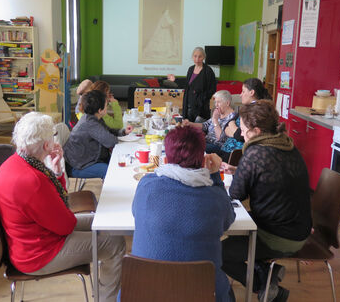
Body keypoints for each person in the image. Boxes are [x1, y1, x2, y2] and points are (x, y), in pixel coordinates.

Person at [0, 112, 125, 302]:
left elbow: (57, 202)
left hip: (29, 241)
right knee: (114, 243)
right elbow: (66, 225)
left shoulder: (17, 162)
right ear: (46, 145)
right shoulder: (32, 180)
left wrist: (56, 172)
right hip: (39, 254)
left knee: (103, 223)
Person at [131, 125, 236, 302]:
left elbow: (136, 213)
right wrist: (215, 176)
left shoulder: (146, 185)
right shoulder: (215, 197)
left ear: (166, 158)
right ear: (202, 159)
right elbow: (228, 220)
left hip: (143, 293)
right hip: (202, 293)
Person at [221, 100, 312, 302]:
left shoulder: (255, 153)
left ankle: (263, 284)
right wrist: (240, 171)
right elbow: (272, 177)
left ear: (257, 130)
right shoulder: (286, 145)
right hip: (299, 227)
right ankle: (267, 270)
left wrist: (242, 173)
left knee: (219, 253)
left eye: (244, 130)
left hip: (278, 235)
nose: (241, 135)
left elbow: (236, 194)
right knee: (238, 231)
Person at [64, 90, 132, 180]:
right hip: (78, 165)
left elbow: (108, 131)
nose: (107, 107)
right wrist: (116, 136)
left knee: (119, 162)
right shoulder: (90, 123)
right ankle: (112, 192)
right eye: (106, 105)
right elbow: (111, 141)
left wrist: (123, 132)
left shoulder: (93, 117)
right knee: (110, 170)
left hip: (86, 159)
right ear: (100, 110)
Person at [219, 78, 272, 161]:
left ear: (251, 92)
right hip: (227, 150)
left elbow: (241, 136)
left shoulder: (257, 111)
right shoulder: (245, 108)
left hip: (237, 154)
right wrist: (234, 130)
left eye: (243, 91)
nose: (240, 95)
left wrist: (233, 129)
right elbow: (226, 126)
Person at [183, 90, 237, 154]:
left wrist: (215, 120)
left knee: (193, 147)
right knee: (185, 142)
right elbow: (205, 125)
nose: (216, 105)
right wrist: (190, 124)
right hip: (207, 141)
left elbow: (222, 139)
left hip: (218, 146)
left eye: (219, 102)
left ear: (227, 103)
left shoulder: (233, 117)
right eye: (215, 102)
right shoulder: (219, 113)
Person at [182, 47, 217, 122]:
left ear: (203, 57)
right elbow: (187, 87)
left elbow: (212, 89)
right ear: (192, 57)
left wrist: (200, 99)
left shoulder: (208, 71)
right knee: (187, 131)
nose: (197, 59)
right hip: (188, 108)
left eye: (200, 56)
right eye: (195, 56)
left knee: (198, 132)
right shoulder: (190, 69)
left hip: (201, 110)